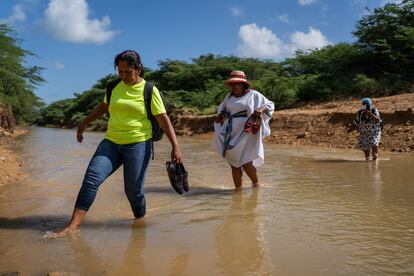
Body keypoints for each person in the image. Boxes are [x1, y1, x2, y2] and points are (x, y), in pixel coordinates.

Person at [51, 50, 183, 238]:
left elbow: (163, 119)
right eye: (120, 72)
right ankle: (73, 226)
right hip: (111, 143)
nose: (123, 76)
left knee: (133, 191)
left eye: (127, 72)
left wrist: (175, 146)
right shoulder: (113, 87)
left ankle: (139, 222)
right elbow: (103, 107)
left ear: (139, 69)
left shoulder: (149, 90)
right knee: (91, 180)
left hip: (138, 144)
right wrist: (84, 123)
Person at [213, 70, 274, 189]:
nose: (234, 86)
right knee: (233, 164)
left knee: (246, 162)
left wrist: (260, 110)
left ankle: (256, 185)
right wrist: (220, 117)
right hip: (231, 132)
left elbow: (270, 105)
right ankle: (238, 191)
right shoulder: (228, 97)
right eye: (232, 84)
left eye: (237, 83)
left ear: (244, 84)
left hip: (248, 132)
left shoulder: (254, 95)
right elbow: (220, 114)